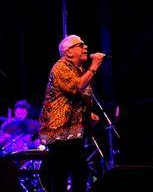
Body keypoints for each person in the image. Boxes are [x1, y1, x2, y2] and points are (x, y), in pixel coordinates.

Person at [38, 34, 106, 192]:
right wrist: (95, 65)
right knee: (62, 174)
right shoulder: (61, 67)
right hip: (59, 130)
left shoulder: (78, 69)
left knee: (80, 171)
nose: (86, 47)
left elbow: (78, 97)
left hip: (73, 131)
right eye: (81, 45)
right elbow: (75, 87)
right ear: (68, 52)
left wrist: (87, 113)